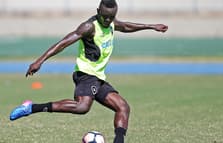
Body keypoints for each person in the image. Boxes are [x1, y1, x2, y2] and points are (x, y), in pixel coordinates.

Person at [9, 0, 168, 143]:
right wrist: (39, 61)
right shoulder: (89, 27)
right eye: (105, 16)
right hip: (85, 74)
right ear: (98, 10)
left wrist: (151, 26)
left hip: (98, 77)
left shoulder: (111, 22)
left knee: (123, 107)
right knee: (82, 107)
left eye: (111, 17)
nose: (107, 20)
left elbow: (126, 26)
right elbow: (63, 43)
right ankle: (31, 108)